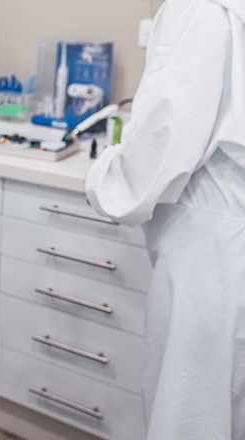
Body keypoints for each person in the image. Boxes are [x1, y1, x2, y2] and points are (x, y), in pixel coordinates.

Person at [84, 0, 245, 438]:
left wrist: (102, 178)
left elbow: (163, 139)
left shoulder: (198, 8)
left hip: (212, 258)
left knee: (189, 417)